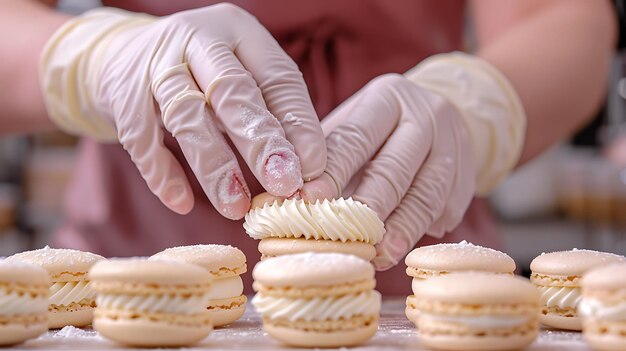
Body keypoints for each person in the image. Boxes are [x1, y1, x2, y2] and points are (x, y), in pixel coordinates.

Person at [0, 0, 616, 295]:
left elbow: (562, 20)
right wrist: (92, 60)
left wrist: (476, 103)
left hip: (417, 256)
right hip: (129, 269)